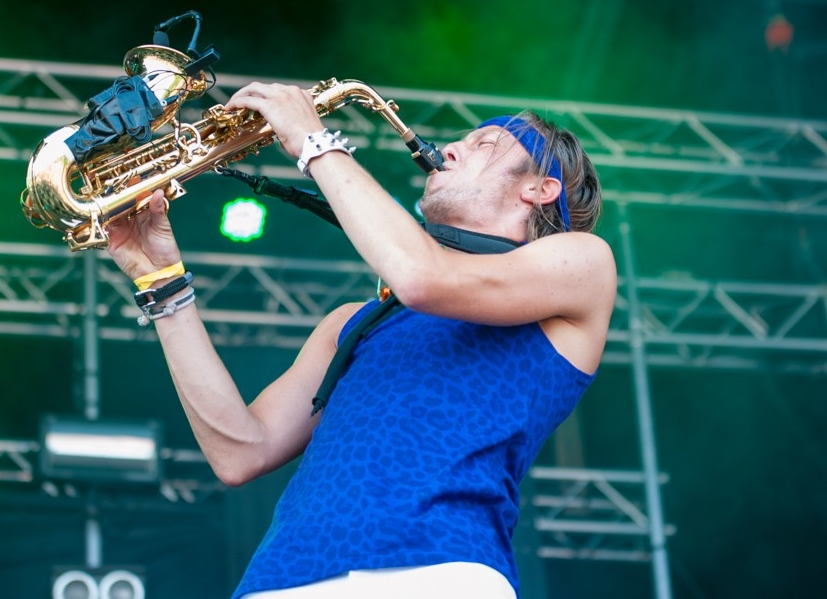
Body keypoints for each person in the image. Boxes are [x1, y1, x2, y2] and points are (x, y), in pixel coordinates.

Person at [106, 82, 617, 599]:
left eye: (484, 144)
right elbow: (239, 453)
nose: (452, 148)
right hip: (280, 581)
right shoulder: (353, 321)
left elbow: (423, 278)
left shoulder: (583, 261)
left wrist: (314, 141)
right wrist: (164, 286)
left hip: (439, 572)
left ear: (540, 189)